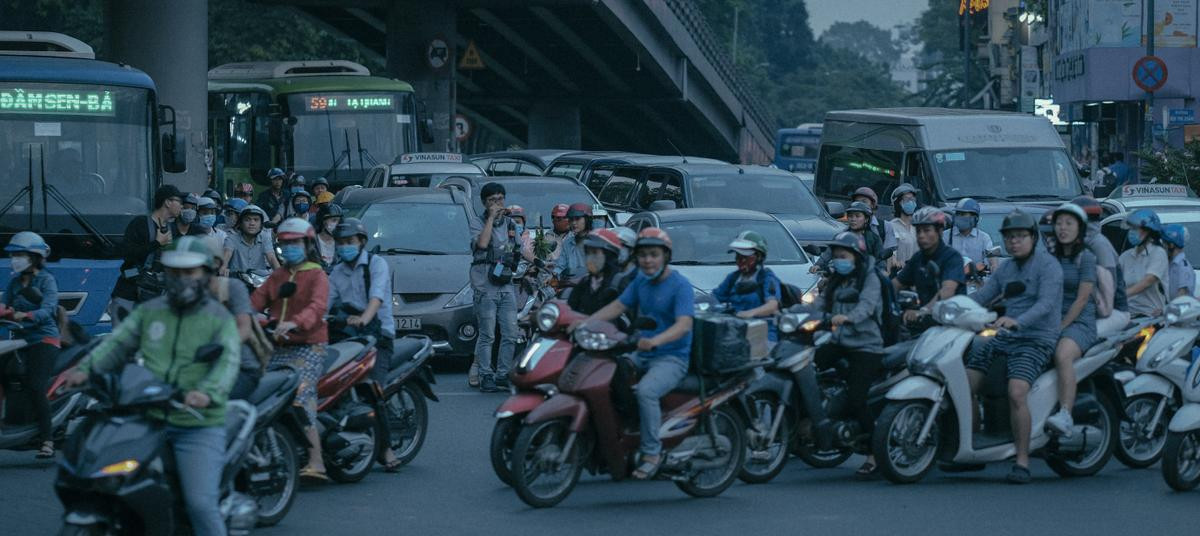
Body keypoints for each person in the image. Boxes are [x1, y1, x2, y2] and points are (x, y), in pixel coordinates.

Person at [67, 237, 241, 536]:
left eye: (190, 272)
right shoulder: (151, 311)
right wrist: (83, 371)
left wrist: (206, 393)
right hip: (146, 417)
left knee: (200, 505)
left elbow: (226, 363)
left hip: (195, 424)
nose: (181, 279)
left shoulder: (218, 318)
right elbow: (117, 345)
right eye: (175, 272)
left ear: (205, 274)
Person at [582, 227, 693, 479]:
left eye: (654, 254)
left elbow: (684, 324)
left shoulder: (680, 285)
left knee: (646, 391)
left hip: (672, 357)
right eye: (643, 255)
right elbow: (619, 306)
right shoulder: (641, 281)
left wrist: (655, 341)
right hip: (642, 352)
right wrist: (584, 323)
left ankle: (652, 452)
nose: (648, 260)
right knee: (607, 375)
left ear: (665, 256)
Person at [965, 210, 1063, 484]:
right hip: (1003, 335)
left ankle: (1022, 461)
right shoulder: (1006, 268)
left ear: (1033, 238)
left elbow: (1045, 305)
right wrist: (952, 308)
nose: (1014, 242)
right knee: (964, 383)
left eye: (1020, 236)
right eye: (1009, 237)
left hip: (1036, 339)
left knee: (1017, 392)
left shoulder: (1049, 266)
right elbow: (984, 294)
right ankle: (970, 449)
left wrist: (1017, 321)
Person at [250, 218, 330, 482]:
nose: (290, 248)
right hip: (277, 345)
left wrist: (296, 321)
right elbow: (255, 300)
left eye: (296, 242)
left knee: (299, 397)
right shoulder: (279, 275)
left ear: (307, 244)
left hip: (309, 345)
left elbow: (317, 307)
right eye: (286, 244)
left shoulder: (317, 274)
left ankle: (317, 461)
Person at [327, 217, 403, 471]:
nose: (344, 247)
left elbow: (376, 298)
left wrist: (364, 319)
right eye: (341, 243)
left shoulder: (376, 264)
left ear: (361, 242)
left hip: (379, 336)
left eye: (349, 242)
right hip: (349, 337)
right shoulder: (336, 272)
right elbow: (325, 304)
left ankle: (386, 448)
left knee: (372, 390)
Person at [815, 231, 884, 477]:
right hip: (839, 341)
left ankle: (874, 454)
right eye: (835, 256)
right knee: (808, 367)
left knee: (857, 397)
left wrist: (847, 318)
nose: (838, 260)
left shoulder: (870, 278)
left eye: (843, 256)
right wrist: (795, 313)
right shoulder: (836, 280)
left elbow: (866, 306)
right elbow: (819, 304)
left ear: (856, 256)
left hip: (867, 346)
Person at [1042, 203, 1098, 437]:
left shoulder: (1086, 257)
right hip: (1051, 319)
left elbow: (1082, 299)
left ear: (1080, 228)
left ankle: (1065, 413)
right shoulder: (1049, 256)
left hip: (1079, 323)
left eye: (1069, 223)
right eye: (1059, 223)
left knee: (1062, 355)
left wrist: (1061, 326)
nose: (1063, 228)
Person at [2, 232, 60, 459]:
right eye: (13, 254)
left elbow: (48, 310)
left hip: (44, 340)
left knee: (36, 386)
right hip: (21, 341)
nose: (15, 259)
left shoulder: (46, 280)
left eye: (20, 254)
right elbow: (3, 305)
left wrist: (25, 315)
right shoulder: (15, 283)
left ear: (34, 257)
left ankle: (47, 439)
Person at [469, 182, 520, 393]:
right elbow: (482, 244)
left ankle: (503, 374)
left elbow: (517, 248)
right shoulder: (477, 221)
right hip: (484, 285)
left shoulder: (510, 224)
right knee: (487, 334)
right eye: (492, 200)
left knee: (510, 333)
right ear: (484, 203)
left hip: (505, 283)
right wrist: (491, 217)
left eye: (500, 199)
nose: (498, 204)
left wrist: (539, 261)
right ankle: (485, 375)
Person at [110, 184, 182, 323]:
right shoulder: (140, 223)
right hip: (129, 295)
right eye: (179, 201)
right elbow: (127, 253)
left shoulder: (172, 229)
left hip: (155, 297)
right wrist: (156, 244)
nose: (181, 206)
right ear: (167, 202)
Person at [200, 235, 260, 401]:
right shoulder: (184, 293)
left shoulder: (232, 287)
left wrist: (217, 347)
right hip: (200, 368)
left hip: (240, 368)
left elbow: (244, 329)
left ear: (215, 263)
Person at [895, 207, 965, 322]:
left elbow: (948, 290)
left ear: (940, 231)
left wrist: (923, 311)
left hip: (951, 323)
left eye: (927, 230)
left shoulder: (952, 257)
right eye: (918, 231)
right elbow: (896, 284)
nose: (921, 235)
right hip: (925, 323)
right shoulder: (918, 258)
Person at [1071, 196, 1129, 332]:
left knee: (1083, 337)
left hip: (1113, 311)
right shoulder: (1079, 244)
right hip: (1092, 310)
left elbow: (1109, 290)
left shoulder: (1098, 244)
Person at [712, 231, 782, 341]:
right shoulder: (733, 278)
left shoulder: (766, 278)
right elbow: (714, 297)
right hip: (734, 330)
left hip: (762, 333)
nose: (741, 260)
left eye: (745, 256)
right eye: (738, 256)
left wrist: (749, 314)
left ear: (758, 257)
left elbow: (772, 306)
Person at [1120, 209, 1168, 318]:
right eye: (1130, 228)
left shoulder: (1158, 253)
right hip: (1127, 315)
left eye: (1135, 228)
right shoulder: (1125, 257)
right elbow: (1114, 280)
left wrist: (1121, 296)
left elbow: (1147, 281)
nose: (1131, 232)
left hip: (1150, 316)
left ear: (1148, 231)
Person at [567, 229, 626, 315]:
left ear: (609, 256)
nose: (589, 258)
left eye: (595, 253)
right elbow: (571, 311)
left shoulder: (620, 284)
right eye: (588, 253)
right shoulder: (585, 282)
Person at [222, 204, 280, 275]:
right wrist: (223, 268)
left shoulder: (265, 238)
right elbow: (227, 254)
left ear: (261, 224)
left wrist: (280, 275)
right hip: (237, 281)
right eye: (247, 220)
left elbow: (271, 258)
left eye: (256, 220)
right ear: (240, 223)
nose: (252, 223)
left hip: (260, 281)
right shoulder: (231, 238)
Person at [943, 198, 996, 271]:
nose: (959, 217)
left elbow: (990, 262)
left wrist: (992, 264)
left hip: (975, 279)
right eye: (958, 214)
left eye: (963, 214)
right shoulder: (945, 236)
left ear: (975, 218)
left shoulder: (984, 238)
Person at [556, 203, 593, 283]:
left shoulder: (596, 242)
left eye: (577, 219)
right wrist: (554, 275)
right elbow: (560, 266)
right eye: (571, 219)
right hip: (570, 284)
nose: (573, 223)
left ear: (587, 219)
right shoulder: (568, 242)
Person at [887, 184, 919, 273]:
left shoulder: (918, 228)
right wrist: (895, 261)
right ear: (898, 203)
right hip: (899, 275)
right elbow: (889, 252)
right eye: (907, 200)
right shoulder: (891, 226)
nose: (911, 202)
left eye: (913, 199)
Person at [851, 186, 895, 251]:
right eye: (857, 202)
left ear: (873, 205)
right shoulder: (848, 226)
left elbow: (889, 253)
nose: (860, 205)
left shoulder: (885, 227)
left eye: (864, 202)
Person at [1163, 224, 1194, 298]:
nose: (1162, 247)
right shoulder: (1170, 263)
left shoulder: (1183, 267)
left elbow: (1182, 296)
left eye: (1164, 243)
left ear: (1171, 245)